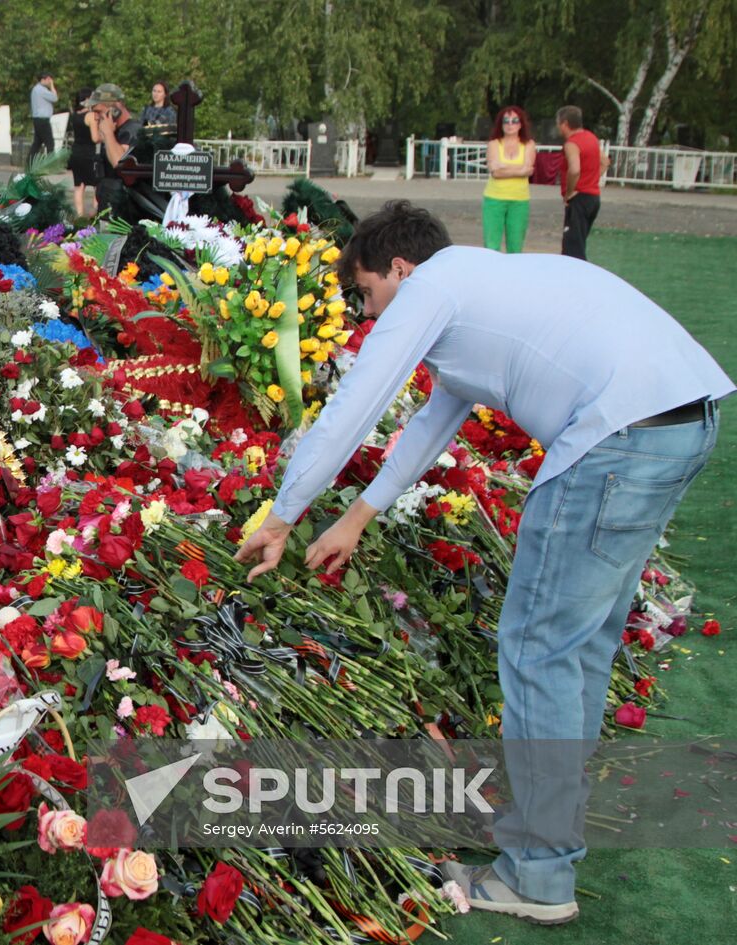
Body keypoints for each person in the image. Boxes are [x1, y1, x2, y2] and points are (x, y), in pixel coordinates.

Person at [235, 201, 732, 925]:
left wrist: (281, 514)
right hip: (681, 418)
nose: (367, 314)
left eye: (368, 294)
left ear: (401, 268)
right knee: (580, 648)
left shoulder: (432, 289)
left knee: (537, 650)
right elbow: (438, 415)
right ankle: (551, 833)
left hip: (616, 436)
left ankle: (537, 872)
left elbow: (355, 406)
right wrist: (355, 516)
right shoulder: (477, 284)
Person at [557, 105, 608, 259]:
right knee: (580, 240)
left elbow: (574, 169)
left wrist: (569, 192)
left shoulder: (572, 143)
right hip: (593, 197)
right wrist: (592, 179)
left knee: (572, 246)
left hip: (579, 198)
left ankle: (574, 278)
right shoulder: (591, 137)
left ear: (565, 124)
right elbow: (605, 162)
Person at [482, 106, 536, 253]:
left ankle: (514, 275)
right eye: (506, 121)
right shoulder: (494, 144)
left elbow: (529, 170)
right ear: (500, 124)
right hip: (494, 198)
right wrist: (519, 170)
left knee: (516, 245)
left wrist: (504, 167)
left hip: (519, 199)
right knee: (491, 245)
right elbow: (495, 172)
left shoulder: (528, 145)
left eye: (514, 120)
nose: (510, 124)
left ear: (521, 124)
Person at [85, 83, 142, 211]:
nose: (95, 117)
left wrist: (108, 133)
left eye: (98, 111)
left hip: (124, 208)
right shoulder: (115, 131)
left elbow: (119, 163)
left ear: (115, 109)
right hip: (108, 203)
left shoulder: (131, 131)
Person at [68, 87, 102, 218]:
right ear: (87, 99)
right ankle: (95, 213)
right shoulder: (91, 116)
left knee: (79, 186)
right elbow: (95, 138)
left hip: (76, 152)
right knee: (96, 185)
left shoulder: (75, 115)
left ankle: (79, 215)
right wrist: (105, 136)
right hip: (89, 154)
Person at [29, 72, 59, 159]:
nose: (50, 81)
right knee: (50, 143)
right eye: (48, 80)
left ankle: (30, 163)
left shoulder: (37, 89)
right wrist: (52, 86)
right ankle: (50, 164)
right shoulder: (41, 90)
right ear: (43, 80)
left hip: (38, 119)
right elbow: (55, 98)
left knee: (37, 143)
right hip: (42, 120)